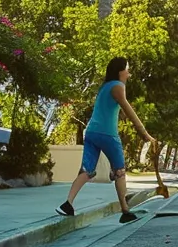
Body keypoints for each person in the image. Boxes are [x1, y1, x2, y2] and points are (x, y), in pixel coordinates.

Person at [57, 57, 155, 223]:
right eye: (127, 69)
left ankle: (67, 204)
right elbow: (129, 111)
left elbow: (112, 109)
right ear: (120, 71)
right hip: (107, 134)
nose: (129, 73)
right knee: (120, 171)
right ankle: (125, 210)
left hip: (92, 132)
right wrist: (145, 135)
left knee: (86, 170)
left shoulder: (105, 87)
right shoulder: (118, 87)